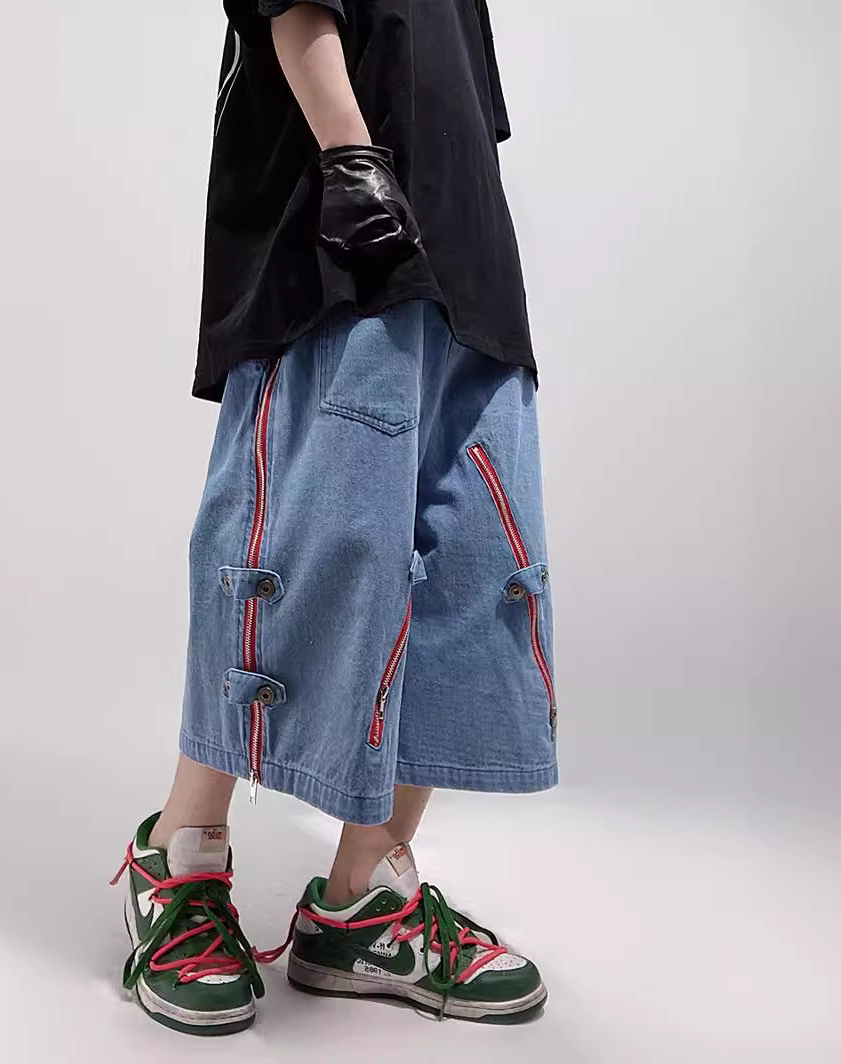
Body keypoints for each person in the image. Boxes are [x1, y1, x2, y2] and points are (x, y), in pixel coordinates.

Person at [110, 0, 557, 1035]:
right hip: (339, 238)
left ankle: (364, 897)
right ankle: (178, 856)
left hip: (466, 259)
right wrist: (349, 155)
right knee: (293, 554)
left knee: (473, 575)